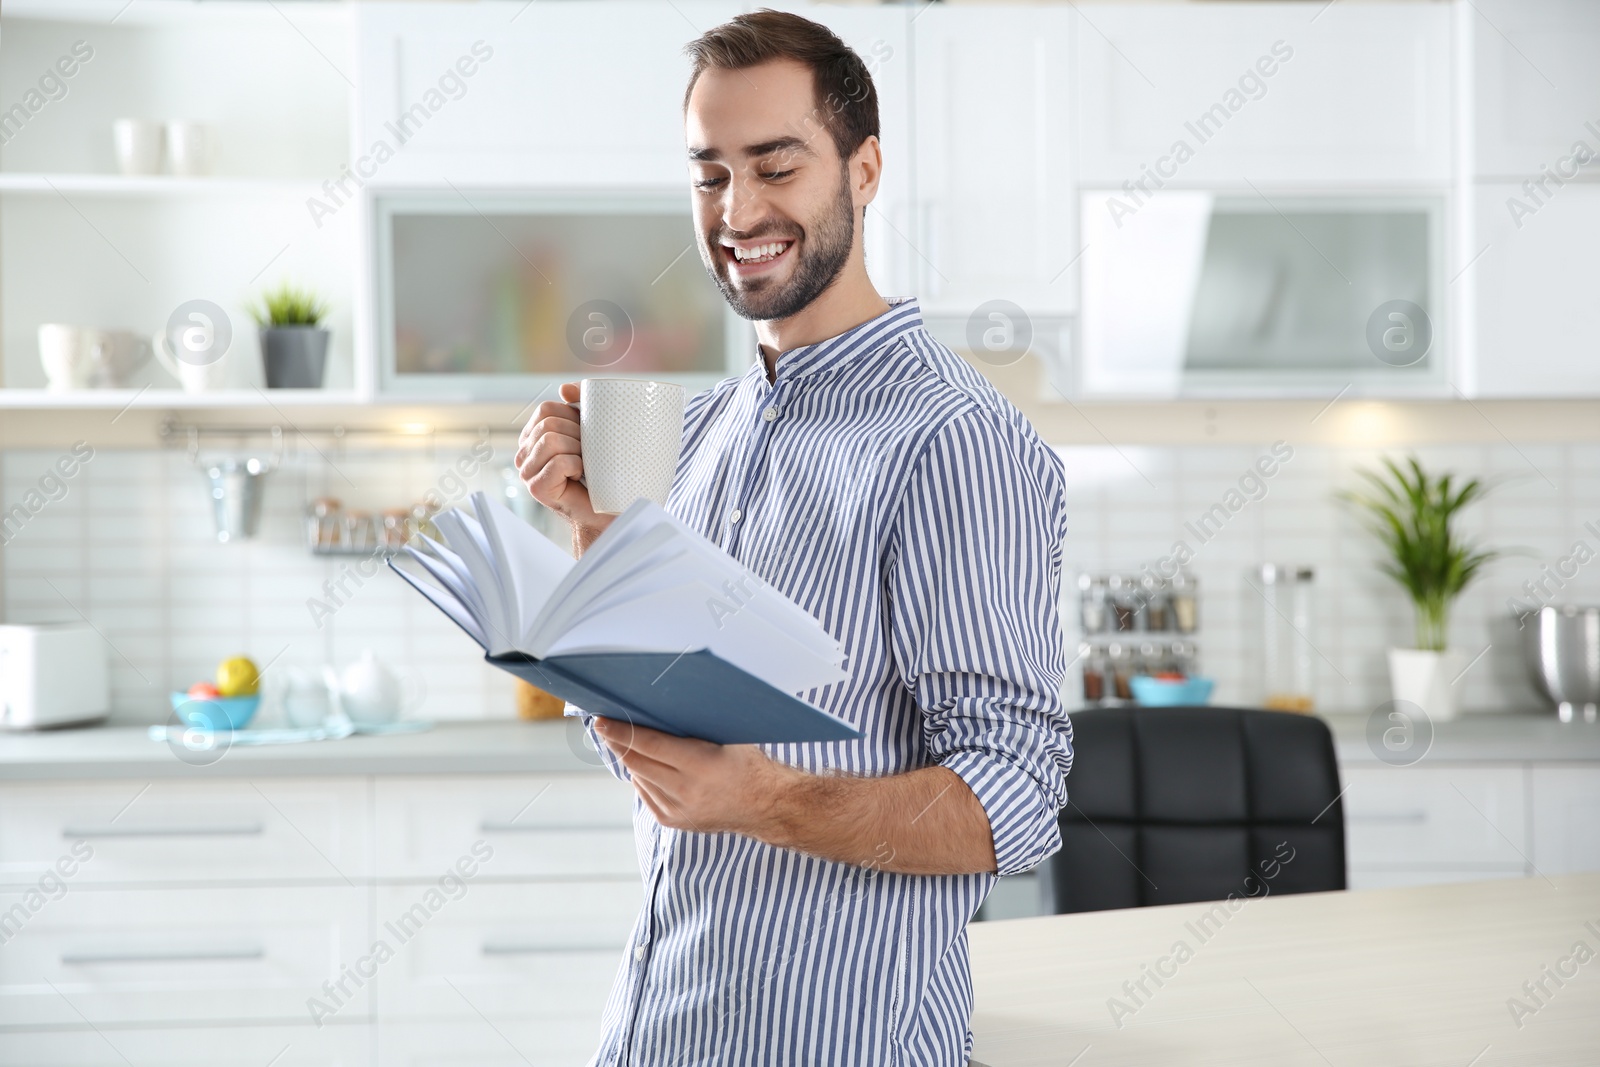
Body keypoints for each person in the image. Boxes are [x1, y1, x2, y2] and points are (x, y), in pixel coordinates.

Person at [514, 10, 1072, 1065]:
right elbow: (658, 759)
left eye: (776, 165)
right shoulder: (709, 429)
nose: (738, 209)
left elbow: (1017, 800)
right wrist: (591, 532)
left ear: (863, 171)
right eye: (710, 173)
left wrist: (766, 798)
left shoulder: (951, 441)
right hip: (657, 1030)